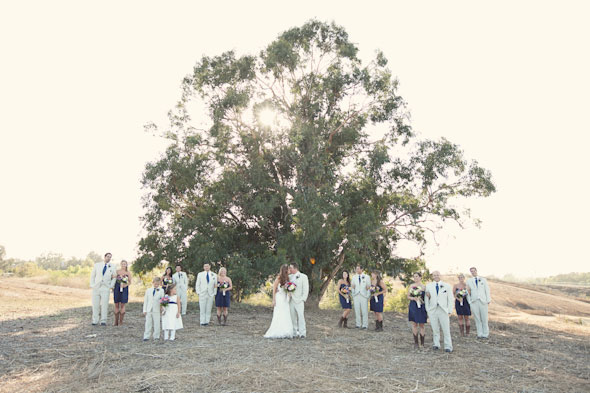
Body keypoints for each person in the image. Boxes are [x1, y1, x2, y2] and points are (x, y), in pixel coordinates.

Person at [425, 271, 454, 352]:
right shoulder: (429, 286)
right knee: (435, 328)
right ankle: (436, 344)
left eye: (437, 275)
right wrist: (428, 309)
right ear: (432, 277)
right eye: (434, 275)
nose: (436, 276)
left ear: (440, 275)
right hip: (433, 310)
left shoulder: (447, 286)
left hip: (443, 310)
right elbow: (426, 299)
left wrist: (449, 310)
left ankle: (448, 346)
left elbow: (450, 299)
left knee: (446, 328)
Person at [264, 264, 294, 339]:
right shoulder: (278, 278)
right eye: (289, 269)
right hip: (279, 298)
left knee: (286, 313)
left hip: (285, 298)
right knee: (279, 314)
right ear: (285, 270)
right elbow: (274, 289)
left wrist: (289, 292)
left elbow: (289, 288)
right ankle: (278, 330)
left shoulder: (288, 278)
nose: (290, 270)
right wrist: (273, 300)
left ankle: (286, 330)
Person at [90, 252, 117, 326]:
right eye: (107, 256)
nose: (109, 258)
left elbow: (114, 277)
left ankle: (103, 321)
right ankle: (95, 320)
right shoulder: (97, 265)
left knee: (105, 305)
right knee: (95, 305)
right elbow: (92, 276)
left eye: (110, 257)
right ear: (104, 257)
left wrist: (111, 286)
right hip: (96, 287)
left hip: (106, 288)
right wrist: (92, 285)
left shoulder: (113, 266)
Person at [466, 267, 491, 339]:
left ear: (476, 271)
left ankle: (485, 334)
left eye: (474, 271)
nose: (473, 272)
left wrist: (488, 300)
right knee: (477, 318)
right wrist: (469, 301)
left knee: (484, 318)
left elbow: (487, 290)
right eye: (471, 271)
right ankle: (479, 334)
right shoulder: (469, 281)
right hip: (474, 301)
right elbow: (467, 291)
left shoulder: (483, 280)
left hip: (483, 301)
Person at [288, 263, 309, 338]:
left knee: (301, 317)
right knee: (292, 317)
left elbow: (305, 288)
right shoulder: (289, 277)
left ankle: (302, 333)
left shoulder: (303, 276)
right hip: (291, 300)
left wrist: (303, 299)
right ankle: (294, 332)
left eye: (291, 268)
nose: (289, 269)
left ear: (295, 268)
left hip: (299, 300)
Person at [407, 272, 427, 348]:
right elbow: (408, 296)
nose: (415, 278)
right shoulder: (411, 286)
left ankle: (422, 343)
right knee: (414, 324)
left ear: (420, 277)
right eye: (414, 276)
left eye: (417, 276)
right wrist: (414, 298)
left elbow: (426, 297)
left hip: (421, 306)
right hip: (413, 305)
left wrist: (420, 298)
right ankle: (416, 343)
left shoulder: (424, 287)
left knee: (422, 324)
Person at [143, 277, 164, 341]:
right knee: (148, 323)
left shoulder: (161, 290)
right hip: (149, 309)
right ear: (153, 283)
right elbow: (146, 300)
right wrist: (144, 310)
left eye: (158, 284)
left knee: (157, 323)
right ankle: (146, 336)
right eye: (155, 284)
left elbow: (162, 300)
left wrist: (162, 307)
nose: (156, 285)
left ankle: (156, 336)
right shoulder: (148, 290)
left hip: (156, 309)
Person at [350, 265, 371, 329]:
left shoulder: (367, 277)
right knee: (357, 310)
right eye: (356, 269)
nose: (357, 270)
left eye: (358, 269)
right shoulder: (354, 277)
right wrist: (353, 294)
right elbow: (352, 286)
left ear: (362, 269)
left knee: (364, 311)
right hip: (356, 295)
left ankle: (365, 325)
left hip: (363, 296)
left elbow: (369, 287)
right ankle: (358, 324)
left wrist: (367, 296)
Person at [113, 260, 132, 326]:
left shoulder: (128, 273)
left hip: (124, 289)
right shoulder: (117, 271)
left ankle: (121, 322)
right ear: (120, 264)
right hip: (117, 288)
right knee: (116, 304)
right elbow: (113, 278)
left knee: (123, 304)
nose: (123, 265)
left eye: (125, 264)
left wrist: (125, 285)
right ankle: (115, 322)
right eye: (122, 264)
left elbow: (130, 282)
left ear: (126, 265)